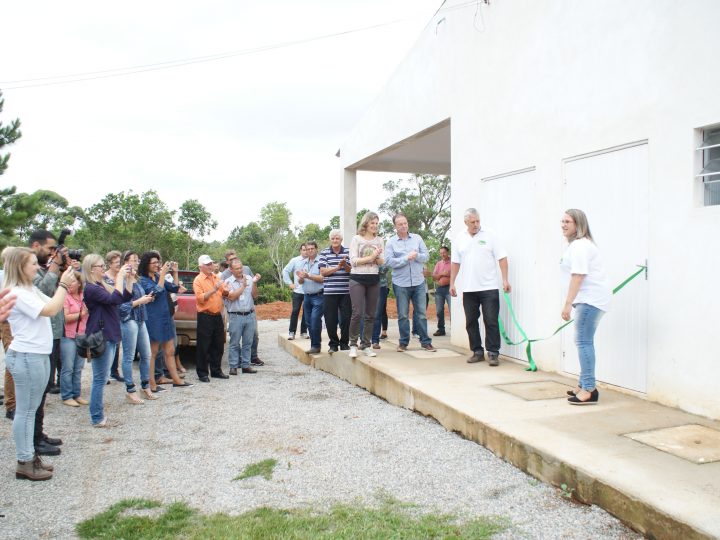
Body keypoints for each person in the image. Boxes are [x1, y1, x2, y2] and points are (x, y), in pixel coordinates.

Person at [3, 247, 75, 480]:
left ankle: (29, 456)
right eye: (33, 264)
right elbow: (51, 309)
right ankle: (24, 461)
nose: (37, 267)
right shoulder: (16, 292)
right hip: (26, 356)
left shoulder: (30, 288)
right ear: (20, 266)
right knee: (24, 412)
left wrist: (62, 279)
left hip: (37, 355)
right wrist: (63, 284)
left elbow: (55, 304)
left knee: (31, 410)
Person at [561, 209, 611, 405]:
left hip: (591, 299)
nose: (563, 225)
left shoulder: (581, 246)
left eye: (568, 222)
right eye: (562, 221)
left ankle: (589, 389)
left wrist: (567, 305)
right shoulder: (577, 245)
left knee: (583, 342)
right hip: (589, 299)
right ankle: (583, 384)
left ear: (578, 225)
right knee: (583, 340)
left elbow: (578, 275)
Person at [450, 208, 510, 367]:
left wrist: (505, 280)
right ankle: (477, 351)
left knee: (491, 321)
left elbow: (502, 258)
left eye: (478, 221)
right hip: (469, 289)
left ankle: (493, 352)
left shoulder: (490, 235)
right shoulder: (460, 238)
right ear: (465, 223)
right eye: (472, 222)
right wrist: (452, 283)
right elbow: (455, 262)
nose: (476, 224)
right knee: (471, 321)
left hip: (489, 287)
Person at [82, 253, 134, 427]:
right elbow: (114, 298)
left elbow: (124, 298)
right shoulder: (91, 288)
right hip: (101, 336)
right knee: (99, 379)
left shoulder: (101, 285)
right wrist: (119, 276)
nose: (103, 268)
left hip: (109, 333)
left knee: (101, 377)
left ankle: (97, 414)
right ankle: (96, 417)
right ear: (91, 269)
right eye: (100, 266)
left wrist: (129, 279)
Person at [28, 230, 67, 454]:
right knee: (37, 392)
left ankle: (38, 434)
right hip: (39, 338)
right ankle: (33, 441)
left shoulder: (44, 268)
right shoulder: (26, 270)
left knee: (43, 390)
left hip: (52, 333)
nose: (53, 253)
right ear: (36, 245)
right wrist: (54, 269)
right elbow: (42, 292)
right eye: (50, 248)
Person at [139, 252, 191, 390]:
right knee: (153, 352)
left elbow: (174, 288)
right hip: (153, 319)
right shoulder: (142, 280)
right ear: (146, 264)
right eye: (154, 263)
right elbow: (155, 292)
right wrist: (162, 275)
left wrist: (175, 273)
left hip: (165, 317)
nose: (157, 265)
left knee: (170, 350)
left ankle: (177, 380)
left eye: (158, 262)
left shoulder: (157, 276)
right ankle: (152, 383)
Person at [384, 213, 436, 352]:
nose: (404, 226)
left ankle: (425, 342)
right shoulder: (391, 242)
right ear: (395, 226)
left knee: (421, 314)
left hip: (418, 282)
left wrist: (416, 255)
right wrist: (406, 258)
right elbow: (388, 262)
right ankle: (403, 342)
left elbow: (426, 256)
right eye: (400, 224)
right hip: (401, 283)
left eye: (405, 223)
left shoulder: (417, 238)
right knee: (403, 314)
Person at [119, 251, 157, 404]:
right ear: (126, 262)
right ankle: (130, 390)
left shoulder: (137, 278)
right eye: (134, 260)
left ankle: (145, 386)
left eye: (137, 259)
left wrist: (147, 299)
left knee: (146, 354)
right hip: (129, 320)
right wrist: (140, 301)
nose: (137, 262)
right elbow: (121, 307)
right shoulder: (121, 279)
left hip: (141, 319)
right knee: (128, 356)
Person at [347, 211, 384, 358]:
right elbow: (354, 261)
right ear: (366, 224)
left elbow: (382, 261)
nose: (374, 226)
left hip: (373, 278)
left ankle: (366, 345)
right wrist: (372, 257)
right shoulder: (357, 239)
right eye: (372, 223)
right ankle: (353, 345)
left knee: (371, 314)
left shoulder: (379, 240)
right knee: (357, 313)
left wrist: (375, 258)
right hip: (357, 278)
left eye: (376, 223)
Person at [193, 254, 228, 382]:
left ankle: (216, 370)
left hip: (217, 315)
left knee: (218, 344)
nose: (210, 266)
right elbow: (200, 298)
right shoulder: (198, 280)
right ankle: (202, 373)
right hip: (205, 316)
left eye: (211, 263)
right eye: (207, 264)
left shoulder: (216, 277)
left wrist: (227, 289)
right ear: (200, 267)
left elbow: (224, 292)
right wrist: (214, 289)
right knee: (204, 346)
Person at [223, 259, 261, 375]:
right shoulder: (227, 282)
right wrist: (243, 286)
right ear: (231, 270)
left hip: (249, 314)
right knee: (234, 342)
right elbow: (232, 297)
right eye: (237, 268)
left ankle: (246, 365)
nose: (240, 270)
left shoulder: (249, 278)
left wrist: (254, 283)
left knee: (247, 342)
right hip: (235, 316)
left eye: (241, 268)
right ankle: (233, 366)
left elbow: (255, 296)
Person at [319, 230, 351, 354]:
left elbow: (351, 271)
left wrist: (345, 265)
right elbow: (323, 272)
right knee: (330, 319)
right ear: (330, 240)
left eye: (337, 238)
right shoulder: (324, 253)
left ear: (341, 239)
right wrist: (338, 267)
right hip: (329, 292)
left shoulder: (348, 252)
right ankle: (333, 344)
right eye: (332, 238)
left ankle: (344, 343)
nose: (335, 240)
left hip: (346, 291)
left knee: (346, 318)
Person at [60, 271, 89, 407]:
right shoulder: (65, 297)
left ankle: (76, 394)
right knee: (68, 367)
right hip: (69, 336)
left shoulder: (83, 296)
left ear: (79, 283)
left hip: (82, 335)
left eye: (73, 281)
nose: (70, 284)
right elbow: (65, 318)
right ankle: (67, 395)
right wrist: (82, 313)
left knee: (78, 367)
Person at [297, 241, 324, 354]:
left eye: (312, 248)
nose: (310, 251)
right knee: (308, 322)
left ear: (316, 249)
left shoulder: (322, 261)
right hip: (306, 296)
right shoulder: (303, 263)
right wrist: (302, 278)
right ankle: (315, 343)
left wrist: (309, 276)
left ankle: (316, 346)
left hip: (319, 296)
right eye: (308, 249)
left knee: (314, 320)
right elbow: (300, 281)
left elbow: (323, 278)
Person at [103, 251, 125, 383]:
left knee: (117, 343)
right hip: (108, 314)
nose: (119, 265)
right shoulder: (104, 278)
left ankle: (114, 371)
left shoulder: (120, 276)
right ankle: (104, 373)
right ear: (109, 263)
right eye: (116, 262)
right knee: (107, 345)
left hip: (119, 314)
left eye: (119, 262)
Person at [282, 244, 308, 340]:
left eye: (307, 250)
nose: (306, 251)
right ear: (300, 251)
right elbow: (285, 271)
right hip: (297, 290)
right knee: (295, 311)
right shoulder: (295, 260)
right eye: (304, 250)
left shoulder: (311, 260)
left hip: (308, 291)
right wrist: (290, 283)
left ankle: (304, 332)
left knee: (306, 312)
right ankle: (292, 332)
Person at [432, 246, 452, 336]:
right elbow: (434, 277)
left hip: (449, 288)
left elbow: (454, 274)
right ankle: (441, 329)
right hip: (439, 289)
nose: (442, 255)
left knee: (452, 309)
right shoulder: (438, 264)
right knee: (439, 310)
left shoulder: (453, 262)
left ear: (447, 252)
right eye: (441, 253)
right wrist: (443, 274)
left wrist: (445, 275)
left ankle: (454, 328)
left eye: (444, 252)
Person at [370, 264, 389, 349]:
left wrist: (373, 260)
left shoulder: (383, 253)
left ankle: (375, 341)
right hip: (364, 285)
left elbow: (384, 270)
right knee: (363, 313)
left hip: (380, 286)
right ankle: (364, 341)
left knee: (377, 314)